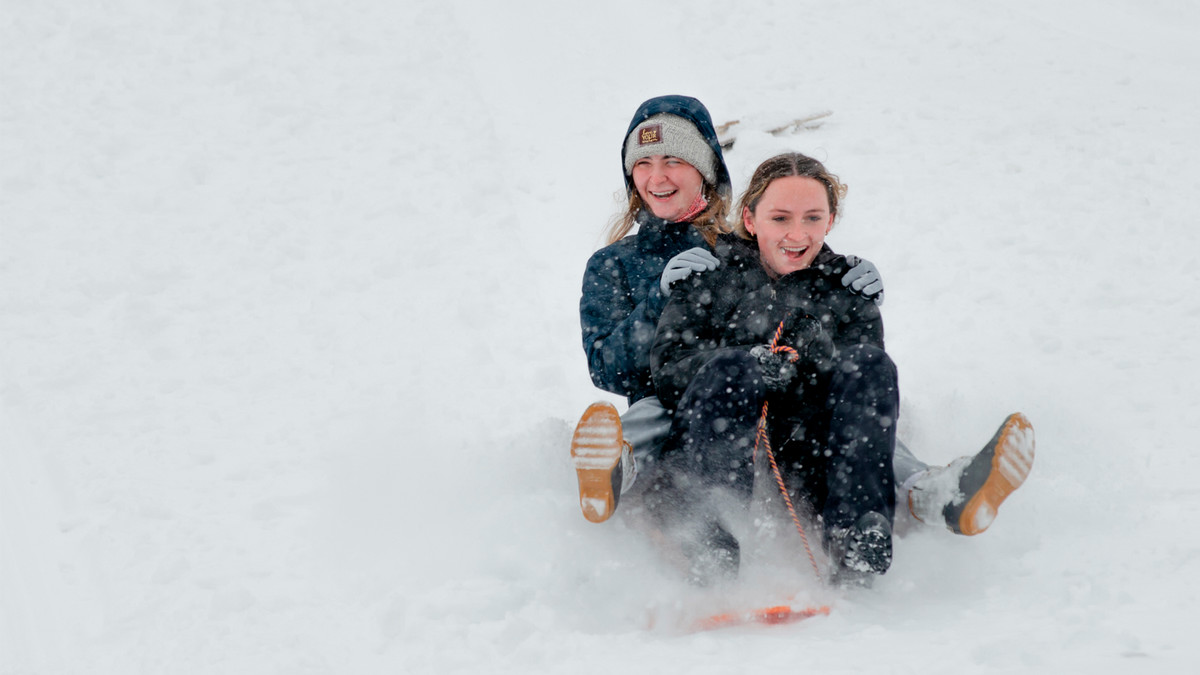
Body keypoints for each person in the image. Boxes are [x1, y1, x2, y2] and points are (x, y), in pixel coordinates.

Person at [644, 152, 1034, 585]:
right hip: (723, 441)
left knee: (869, 360)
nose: (798, 234)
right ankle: (704, 539)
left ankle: (858, 535)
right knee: (734, 368)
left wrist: (816, 360)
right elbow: (669, 372)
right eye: (780, 218)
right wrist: (745, 362)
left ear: (830, 221)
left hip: (812, 457)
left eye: (813, 217)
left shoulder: (846, 290)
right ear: (751, 220)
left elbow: (867, 388)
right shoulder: (711, 277)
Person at [571, 95, 885, 525]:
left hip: (765, 403)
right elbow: (608, 369)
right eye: (643, 164)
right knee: (651, 416)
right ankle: (616, 469)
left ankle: (924, 488)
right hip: (682, 404)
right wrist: (659, 299)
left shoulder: (737, 244)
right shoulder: (612, 265)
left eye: (673, 161)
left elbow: (795, 260)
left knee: (861, 408)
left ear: (705, 168)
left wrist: (846, 275)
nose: (657, 176)